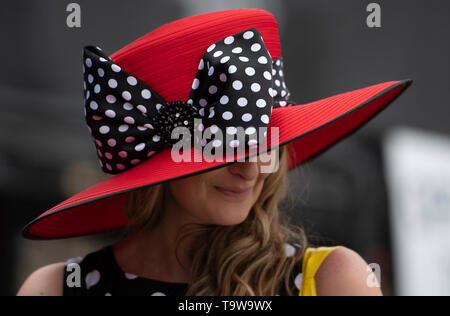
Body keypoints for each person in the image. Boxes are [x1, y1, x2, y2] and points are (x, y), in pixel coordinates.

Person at [17, 8, 411, 296]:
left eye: (263, 145)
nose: (251, 169)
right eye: (224, 148)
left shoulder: (333, 280)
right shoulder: (54, 289)